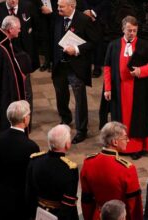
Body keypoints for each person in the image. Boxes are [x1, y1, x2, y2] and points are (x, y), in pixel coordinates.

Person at [102, 15, 148, 159]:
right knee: (120, 119)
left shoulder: (145, 45)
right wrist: (108, 88)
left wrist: (140, 71)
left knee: (138, 119)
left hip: (139, 90)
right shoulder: (113, 45)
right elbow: (107, 68)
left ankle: (136, 147)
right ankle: (119, 145)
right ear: (123, 29)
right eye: (129, 30)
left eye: (135, 30)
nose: (132, 33)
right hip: (119, 89)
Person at [52, 0, 99, 144]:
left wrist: (77, 50)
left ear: (72, 6)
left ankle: (81, 130)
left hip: (76, 66)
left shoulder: (84, 20)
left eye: (61, 6)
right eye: (58, 5)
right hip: (59, 65)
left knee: (79, 99)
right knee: (61, 94)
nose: (58, 8)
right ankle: (65, 118)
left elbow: (94, 42)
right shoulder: (57, 17)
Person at [81, 121, 143, 220]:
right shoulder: (127, 169)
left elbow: (86, 200)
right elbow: (134, 205)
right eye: (125, 137)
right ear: (115, 142)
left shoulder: (88, 163)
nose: (128, 140)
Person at [26, 124, 79, 220]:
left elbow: (29, 193)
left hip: (38, 212)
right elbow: (68, 203)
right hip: (59, 215)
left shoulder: (35, 160)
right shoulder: (70, 169)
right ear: (67, 145)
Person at [0, 100, 40, 220]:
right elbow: (32, 176)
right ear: (25, 119)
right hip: (21, 199)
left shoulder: (0, 138)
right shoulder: (31, 146)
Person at [0, 18, 25, 132]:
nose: (20, 31)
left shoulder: (5, 41)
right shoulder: (2, 47)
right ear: (10, 29)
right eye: (18, 28)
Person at [82, 0, 111, 78]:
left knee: (98, 44)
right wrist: (87, 11)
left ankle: (97, 68)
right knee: (86, 41)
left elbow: (105, 2)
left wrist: (93, 12)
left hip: (100, 15)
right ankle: (86, 68)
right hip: (85, 14)